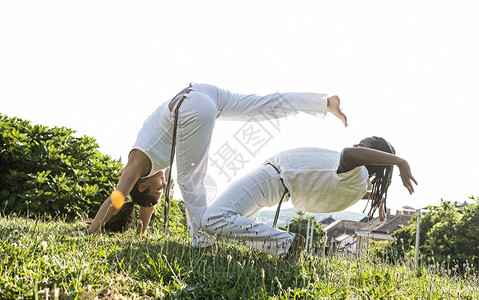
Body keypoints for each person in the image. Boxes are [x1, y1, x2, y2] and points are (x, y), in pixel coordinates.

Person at [88, 83, 348, 248]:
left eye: (156, 189)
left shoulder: (137, 162)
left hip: (191, 106)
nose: (162, 186)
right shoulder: (151, 171)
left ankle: (203, 243)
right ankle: (324, 103)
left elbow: (118, 198)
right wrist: (141, 233)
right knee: (261, 106)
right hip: (201, 91)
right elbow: (149, 203)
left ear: (141, 184)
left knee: (189, 181)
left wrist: (91, 232)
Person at [200, 137, 418, 259]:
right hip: (275, 185)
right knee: (218, 222)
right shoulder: (357, 181)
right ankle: (203, 247)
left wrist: (400, 162)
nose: (356, 145)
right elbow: (336, 186)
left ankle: (286, 242)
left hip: (271, 179)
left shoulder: (357, 171)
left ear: (372, 158)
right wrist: (374, 197)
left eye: (363, 144)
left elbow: (347, 154)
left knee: (212, 219)